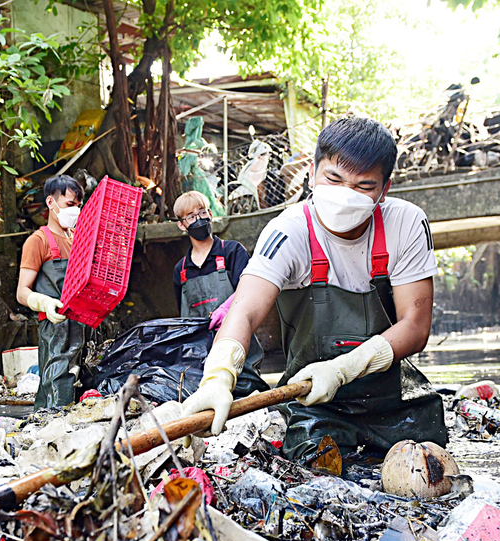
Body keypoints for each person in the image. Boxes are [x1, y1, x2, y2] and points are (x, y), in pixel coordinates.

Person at [181, 117, 448, 461]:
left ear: (385, 189)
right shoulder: (289, 232)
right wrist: (218, 378)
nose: (345, 196)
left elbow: (416, 325)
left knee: (428, 465)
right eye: (333, 178)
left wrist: (342, 369)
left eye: (364, 186)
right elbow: (244, 311)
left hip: (393, 399)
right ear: (312, 171)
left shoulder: (406, 223)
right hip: (314, 401)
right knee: (316, 465)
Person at [172, 190, 267, 387]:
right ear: (181, 225)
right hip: (198, 363)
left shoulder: (232, 251)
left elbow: (251, 291)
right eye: (191, 216)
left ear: (211, 214)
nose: (199, 219)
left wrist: (228, 309)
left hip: (238, 352)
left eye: (202, 212)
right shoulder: (180, 270)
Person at [15, 175, 85, 409]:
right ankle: (46, 430)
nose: (75, 210)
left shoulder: (78, 240)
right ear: (50, 203)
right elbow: (21, 292)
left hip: (80, 325)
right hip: (53, 327)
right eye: (69, 205)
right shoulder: (37, 241)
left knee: (79, 383)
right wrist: (44, 302)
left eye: (78, 205)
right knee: (55, 384)